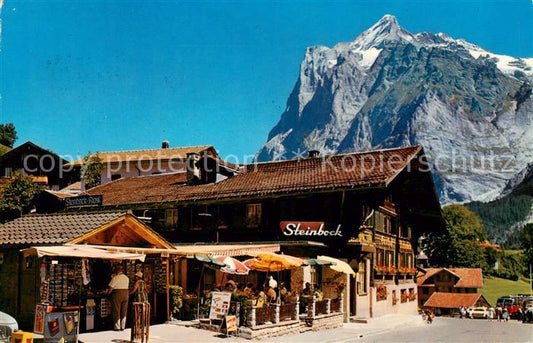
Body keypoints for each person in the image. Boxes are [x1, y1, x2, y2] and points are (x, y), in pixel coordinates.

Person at [107, 265, 129, 331]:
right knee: (124, 311)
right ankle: (123, 326)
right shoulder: (126, 278)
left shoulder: (116, 278)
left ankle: (117, 327)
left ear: (117, 270)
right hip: (126, 294)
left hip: (117, 294)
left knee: (116, 310)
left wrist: (107, 294)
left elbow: (111, 288)